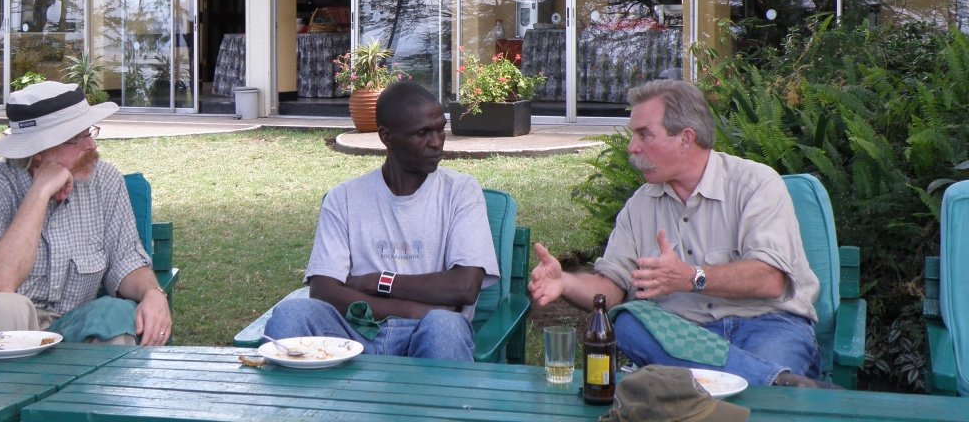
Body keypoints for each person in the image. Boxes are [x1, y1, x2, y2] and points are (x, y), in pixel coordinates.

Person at [530, 79, 829, 389]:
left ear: (686, 138)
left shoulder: (755, 185)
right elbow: (611, 289)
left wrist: (690, 277)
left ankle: (737, 383)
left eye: (644, 134)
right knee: (629, 322)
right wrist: (565, 281)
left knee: (750, 394)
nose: (632, 147)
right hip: (683, 336)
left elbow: (770, 279)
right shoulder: (641, 205)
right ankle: (773, 381)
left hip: (768, 323)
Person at [264, 80, 499, 360]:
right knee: (291, 314)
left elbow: (463, 287)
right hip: (353, 332)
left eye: (440, 129)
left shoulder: (460, 191)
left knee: (444, 326)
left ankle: (438, 406)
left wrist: (378, 281)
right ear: (386, 137)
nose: (437, 142)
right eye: (422, 133)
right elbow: (324, 290)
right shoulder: (344, 199)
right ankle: (296, 405)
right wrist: (411, 309)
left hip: (427, 330)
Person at [0, 81, 172, 345]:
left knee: (118, 313)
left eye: (89, 133)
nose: (91, 146)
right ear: (38, 152)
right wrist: (39, 193)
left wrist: (153, 293)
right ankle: (10, 388)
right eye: (76, 138)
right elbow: (0, 282)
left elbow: (126, 262)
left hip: (66, 325)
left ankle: (104, 387)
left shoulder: (104, 180)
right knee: (8, 306)